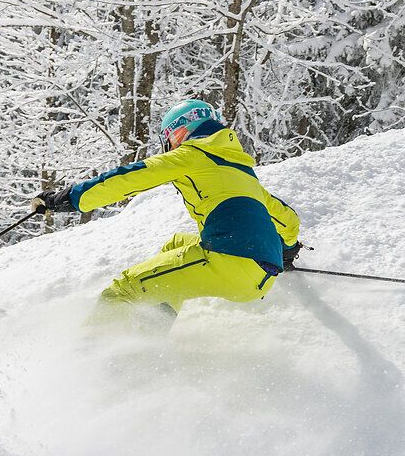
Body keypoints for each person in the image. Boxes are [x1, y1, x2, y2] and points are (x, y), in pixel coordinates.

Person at [33, 99, 302, 320]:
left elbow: (132, 177)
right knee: (175, 245)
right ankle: (153, 331)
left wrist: (68, 198)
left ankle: (88, 358)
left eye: (169, 139)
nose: (169, 146)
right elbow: (288, 219)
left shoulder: (192, 155)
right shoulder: (242, 172)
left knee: (121, 291)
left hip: (229, 260)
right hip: (263, 274)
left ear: (180, 132)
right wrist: (286, 251)